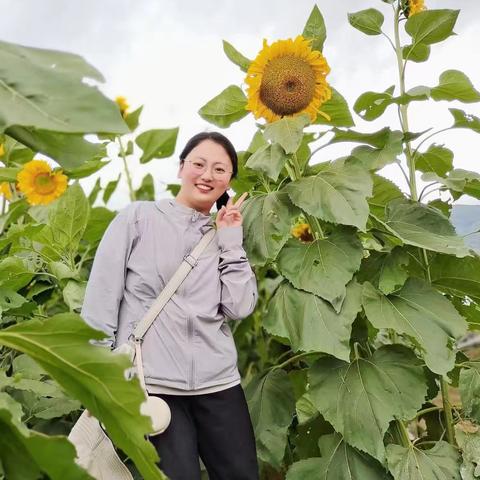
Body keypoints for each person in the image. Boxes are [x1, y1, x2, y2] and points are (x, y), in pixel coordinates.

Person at [81, 131, 259, 479]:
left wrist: (231, 242)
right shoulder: (138, 218)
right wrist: (98, 375)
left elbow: (239, 307)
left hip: (219, 385)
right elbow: (102, 297)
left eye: (220, 170)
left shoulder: (222, 235)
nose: (208, 175)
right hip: (155, 386)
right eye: (199, 164)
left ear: (229, 183)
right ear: (181, 168)